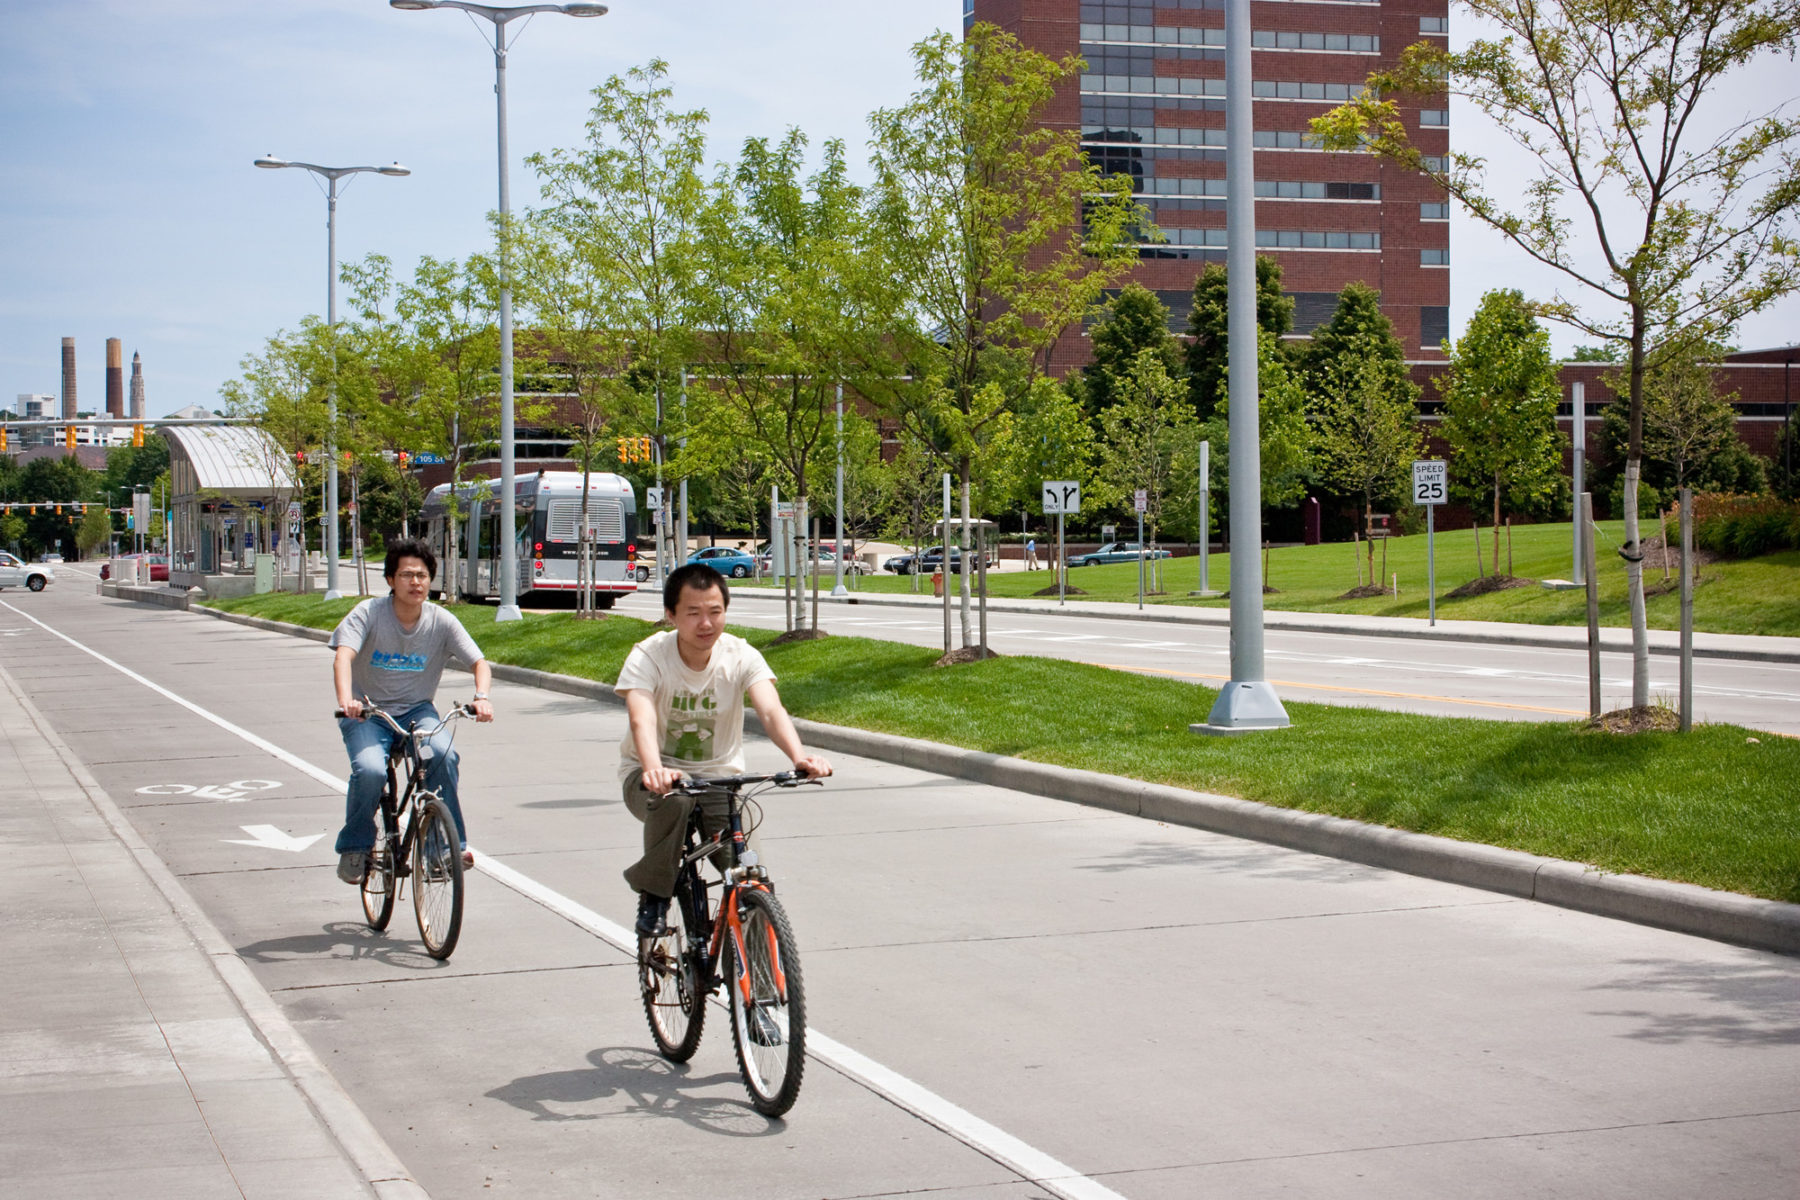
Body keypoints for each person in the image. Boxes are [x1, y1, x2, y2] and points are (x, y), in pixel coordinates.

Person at [616, 562, 831, 935]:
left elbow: (769, 708)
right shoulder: (649, 655)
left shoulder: (740, 654)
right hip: (650, 778)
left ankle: (758, 985)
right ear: (671, 615)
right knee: (677, 798)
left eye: (715, 612)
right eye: (694, 613)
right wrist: (653, 768)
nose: (706, 624)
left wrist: (799, 757)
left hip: (719, 781)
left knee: (750, 879)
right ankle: (654, 894)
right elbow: (641, 719)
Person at [331, 537, 494, 885]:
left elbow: (479, 661)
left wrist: (481, 696)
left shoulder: (442, 621)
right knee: (372, 771)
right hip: (368, 713)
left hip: (418, 710)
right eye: (406, 575)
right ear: (390, 580)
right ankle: (355, 846)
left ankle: (444, 851)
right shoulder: (368, 613)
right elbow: (343, 656)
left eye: (421, 575)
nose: (415, 582)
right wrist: (348, 701)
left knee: (443, 757)